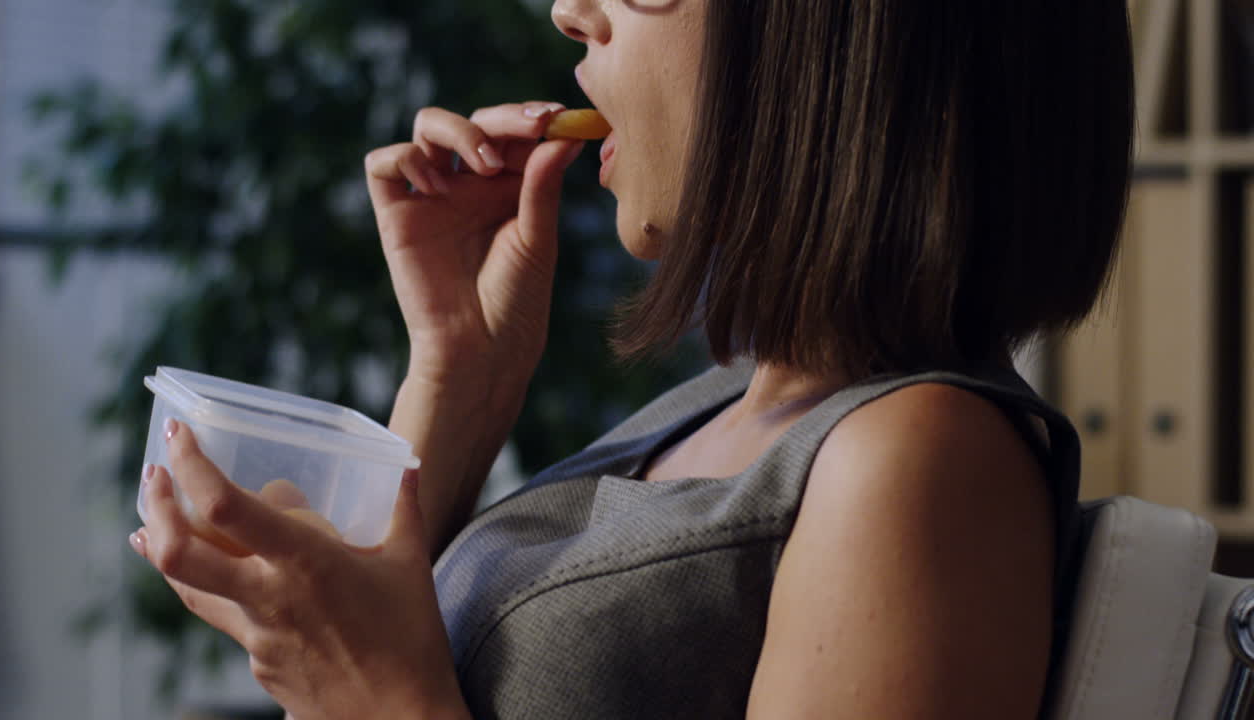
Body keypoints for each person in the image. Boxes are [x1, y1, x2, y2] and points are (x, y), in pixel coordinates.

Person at [128, 0, 1134, 717]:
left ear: (834, 36)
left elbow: (390, 685)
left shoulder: (915, 460)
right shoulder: (731, 406)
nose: (570, 12)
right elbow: (395, 632)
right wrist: (458, 374)